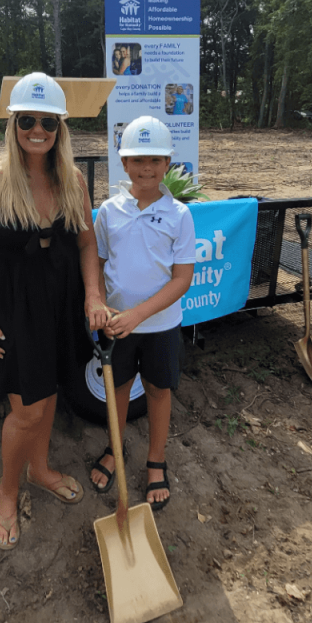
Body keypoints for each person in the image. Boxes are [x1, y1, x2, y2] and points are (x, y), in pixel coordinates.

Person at [0, 73, 108, 550]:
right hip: (11, 305)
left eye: (47, 121)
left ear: (60, 127)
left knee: (52, 388)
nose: (37, 130)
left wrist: (92, 295)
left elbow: (86, 243)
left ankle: (40, 470)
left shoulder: (74, 180)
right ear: (13, 123)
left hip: (60, 300)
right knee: (27, 408)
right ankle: (6, 492)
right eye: (27, 120)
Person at [90, 116, 195, 510]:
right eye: (137, 160)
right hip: (117, 326)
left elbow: (181, 279)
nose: (146, 168)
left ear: (167, 164)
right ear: (124, 163)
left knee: (158, 390)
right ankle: (114, 450)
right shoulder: (109, 211)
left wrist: (137, 315)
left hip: (161, 327)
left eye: (154, 160)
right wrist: (99, 303)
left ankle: (156, 461)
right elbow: (97, 263)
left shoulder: (179, 215)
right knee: (117, 388)